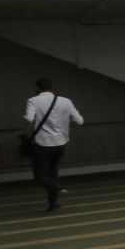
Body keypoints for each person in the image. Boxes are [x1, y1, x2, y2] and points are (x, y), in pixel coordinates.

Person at [22, 78, 83, 213]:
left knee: (41, 177)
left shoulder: (33, 100)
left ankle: (58, 190)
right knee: (53, 174)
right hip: (60, 143)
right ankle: (53, 204)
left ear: (37, 88)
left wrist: (24, 133)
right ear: (52, 88)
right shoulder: (66, 101)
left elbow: (28, 118)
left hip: (42, 144)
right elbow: (79, 121)